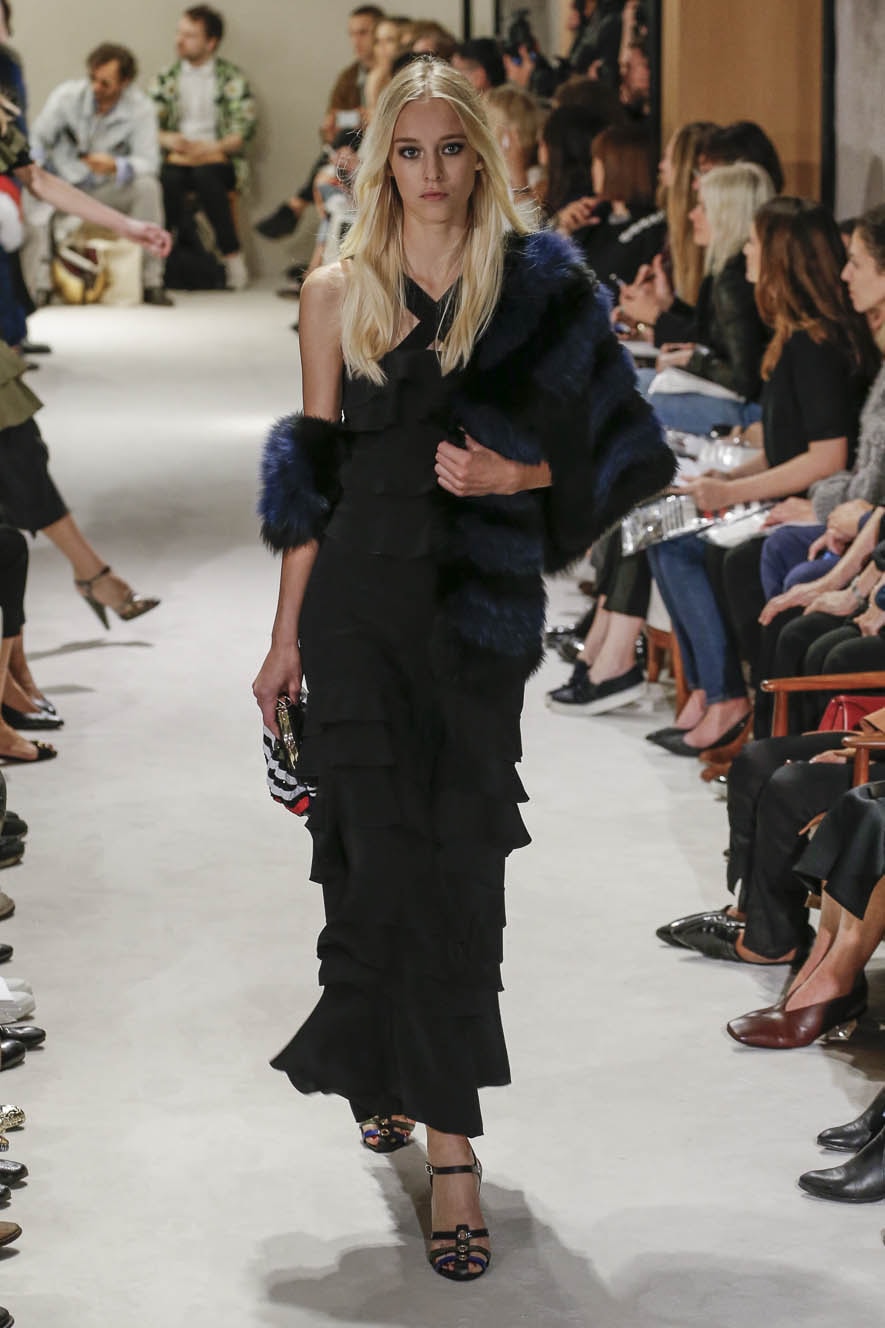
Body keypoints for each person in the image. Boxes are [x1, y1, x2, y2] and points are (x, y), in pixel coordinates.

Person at [253, 57, 671, 1281]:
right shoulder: (336, 291)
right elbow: (312, 480)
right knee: (371, 857)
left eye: (450, 149)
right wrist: (284, 636)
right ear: (381, 161)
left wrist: (518, 474)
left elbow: (628, 454)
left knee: (457, 871)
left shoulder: (537, 286)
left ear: (479, 158)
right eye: (409, 150)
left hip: (473, 621)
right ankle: (405, 1086)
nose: (430, 173)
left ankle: (449, 1142)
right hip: (355, 612)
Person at [648, 196, 873, 756]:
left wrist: (730, 491)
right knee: (660, 526)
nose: (744, 253)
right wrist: (723, 481)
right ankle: (711, 691)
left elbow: (827, 457)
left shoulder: (815, 344)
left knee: (684, 543)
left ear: (778, 259)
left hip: (814, 501)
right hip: (794, 492)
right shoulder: (793, 337)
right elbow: (784, 446)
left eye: (753, 243)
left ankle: (729, 698)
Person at [28, 43, 169, 305]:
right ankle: (40, 284)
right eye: (92, 78)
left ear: (125, 82)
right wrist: (37, 165)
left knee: (148, 187)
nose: (96, 87)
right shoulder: (66, 97)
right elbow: (37, 138)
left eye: (105, 83)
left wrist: (116, 165)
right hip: (64, 185)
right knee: (33, 185)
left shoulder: (141, 109)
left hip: (108, 187)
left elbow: (149, 161)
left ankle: (152, 281)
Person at [149, 5, 257, 291]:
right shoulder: (166, 78)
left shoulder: (231, 78)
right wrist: (170, 140)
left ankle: (232, 259)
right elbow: (149, 125)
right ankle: (162, 263)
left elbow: (243, 131)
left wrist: (212, 147)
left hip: (217, 158)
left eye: (190, 35)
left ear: (211, 42)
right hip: (177, 157)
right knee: (167, 180)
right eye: (179, 33)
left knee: (207, 178)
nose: (180, 40)